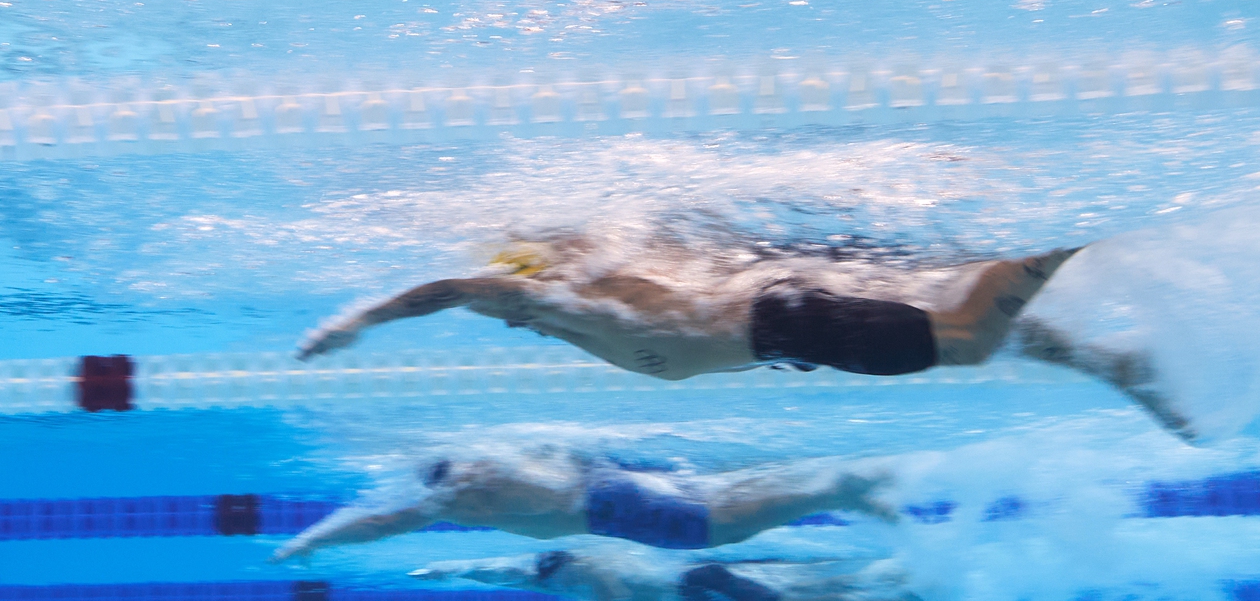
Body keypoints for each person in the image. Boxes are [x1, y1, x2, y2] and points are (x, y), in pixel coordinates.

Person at [294, 238, 1192, 438]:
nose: (499, 319)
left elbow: (454, 289)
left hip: (781, 322)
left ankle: (1078, 234)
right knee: (952, 314)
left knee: (965, 337)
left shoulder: (559, 298)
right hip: (785, 323)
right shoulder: (580, 304)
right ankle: (1120, 365)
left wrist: (357, 322)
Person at [270, 447, 895, 562]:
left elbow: (379, 524)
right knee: (728, 496)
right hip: (615, 478)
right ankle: (848, 485)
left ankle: (848, 486)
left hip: (611, 505)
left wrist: (308, 541)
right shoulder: (493, 459)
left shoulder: (457, 496)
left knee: (720, 528)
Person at [411, 546, 920, 601]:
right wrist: (440, 571)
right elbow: (486, 571)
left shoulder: (590, 571)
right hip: (697, 581)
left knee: (798, 594)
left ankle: (884, 583)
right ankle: (883, 581)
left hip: (700, 582)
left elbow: (614, 597)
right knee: (801, 590)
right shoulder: (544, 575)